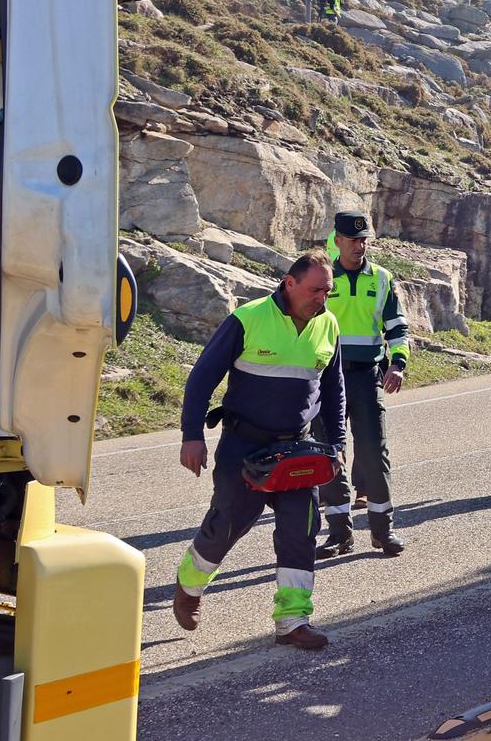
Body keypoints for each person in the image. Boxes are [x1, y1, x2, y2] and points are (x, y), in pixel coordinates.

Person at [173, 251, 345, 651]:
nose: (322, 298)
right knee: (225, 527)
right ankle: (189, 586)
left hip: (298, 448)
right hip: (244, 446)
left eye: (327, 291)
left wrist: (337, 445)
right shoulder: (248, 319)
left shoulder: (328, 324)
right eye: (315, 289)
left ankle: (293, 620)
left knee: (300, 532)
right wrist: (192, 435)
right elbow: (201, 379)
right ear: (290, 283)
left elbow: (334, 391)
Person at [319, 212, 411, 558]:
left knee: (374, 453)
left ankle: (383, 531)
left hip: (366, 377)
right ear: (337, 241)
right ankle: (339, 534)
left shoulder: (383, 278)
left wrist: (398, 364)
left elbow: (397, 328)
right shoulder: (324, 278)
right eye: (353, 240)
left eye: (364, 240)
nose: (359, 246)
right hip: (327, 379)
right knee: (329, 454)